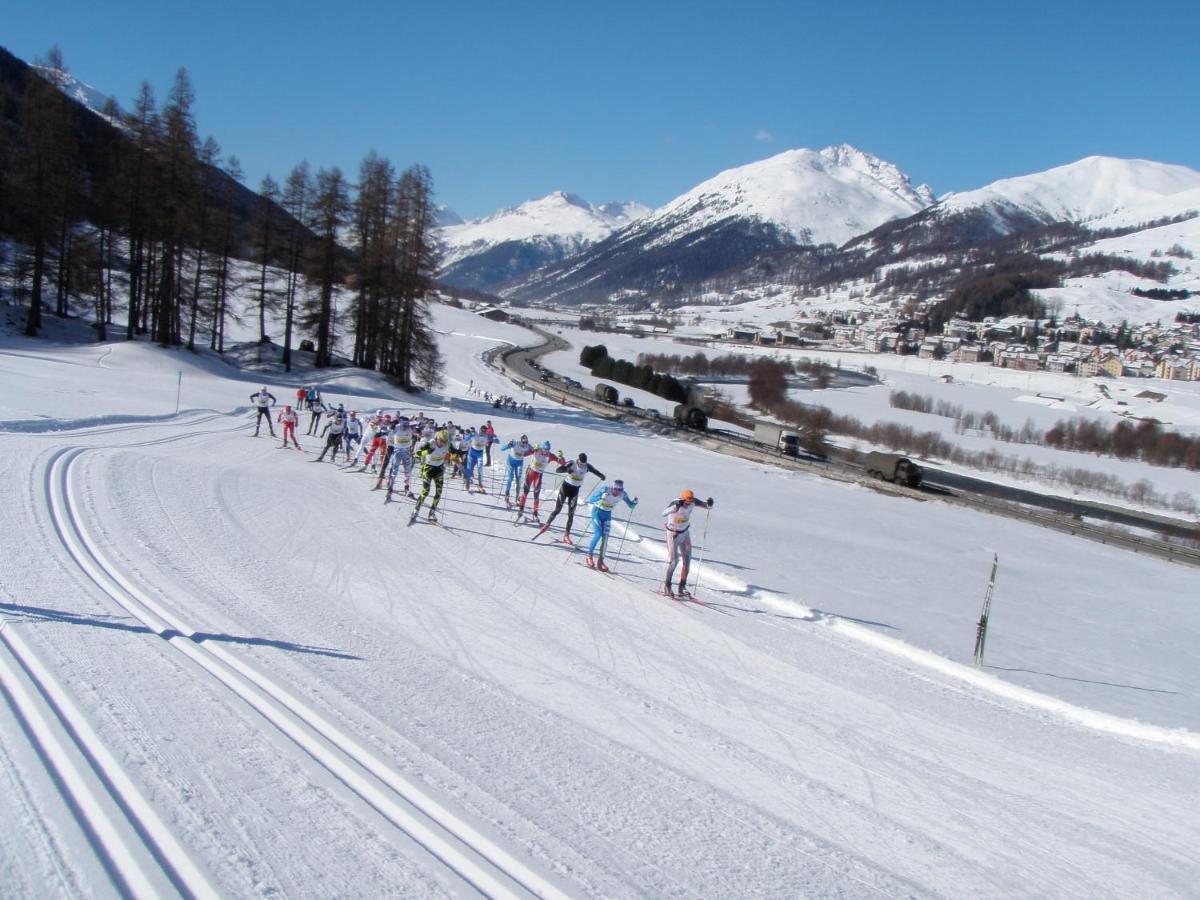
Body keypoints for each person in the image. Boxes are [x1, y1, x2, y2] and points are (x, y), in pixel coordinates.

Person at [534, 452, 604, 544]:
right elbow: (558, 470)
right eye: (580, 463)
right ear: (578, 460)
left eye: (583, 464)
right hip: (565, 488)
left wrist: (601, 476)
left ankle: (566, 535)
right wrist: (568, 470)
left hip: (575, 491)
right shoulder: (572, 462)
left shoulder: (587, 466)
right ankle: (547, 525)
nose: (582, 465)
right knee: (558, 509)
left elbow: (595, 471)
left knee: (571, 514)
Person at [661, 489, 714, 597]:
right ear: (682, 499)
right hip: (673, 534)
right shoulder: (676, 503)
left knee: (688, 560)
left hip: (685, 534)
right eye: (686, 502)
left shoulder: (693, 501)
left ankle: (682, 586)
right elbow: (663, 513)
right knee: (674, 561)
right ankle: (667, 586)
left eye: (690, 502)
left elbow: (707, 506)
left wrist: (709, 503)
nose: (688, 503)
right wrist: (674, 508)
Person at [583, 480, 637, 572]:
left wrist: (635, 502)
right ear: (612, 488)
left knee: (606, 537)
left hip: (607, 515)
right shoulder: (605, 489)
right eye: (616, 489)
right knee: (598, 534)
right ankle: (589, 556)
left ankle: (601, 561)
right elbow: (591, 499)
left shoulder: (623, 494)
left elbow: (631, 506)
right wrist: (601, 497)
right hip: (597, 512)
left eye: (620, 490)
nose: (617, 492)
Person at [409, 430, 452, 524]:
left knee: (439, 492)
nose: (442, 443)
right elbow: (417, 453)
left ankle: (431, 513)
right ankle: (416, 511)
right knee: (425, 491)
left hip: (439, 470)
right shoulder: (431, 443)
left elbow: (453, 453)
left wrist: (452, 458)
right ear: (437, 438)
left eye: (445, 441)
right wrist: (427, 452)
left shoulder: (447, 444)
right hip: (428, 469)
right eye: (441, 440)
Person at [516, 440, 563, 522]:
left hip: (538, 475)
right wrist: (532, 450)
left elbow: (562, 463)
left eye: (547, 450)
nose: (546, 452)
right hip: (530, 472)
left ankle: (535, 513)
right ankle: (521, 509)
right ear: (542, 448)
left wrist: (561, 457)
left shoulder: (550, 456)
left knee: (536, 495)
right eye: (545, 450)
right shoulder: (537, 450)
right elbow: (524, 454)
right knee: (525, 491)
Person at [497, 434, 534, 506]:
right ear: (520, 441)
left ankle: (517, 498)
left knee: (519, 480)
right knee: (510, 478)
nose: (524, 444)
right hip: (511, 462)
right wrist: (508, 445)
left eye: (526, 442)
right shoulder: (515, 443)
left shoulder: (528, 446)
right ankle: (507, 494)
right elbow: (502, 449)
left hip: (519, 463)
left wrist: (535, 449)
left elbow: (534, 451)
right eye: (523, 442)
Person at [463, 426, 492, 493]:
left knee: (480, 467)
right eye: (482, 430)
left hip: (479, 454)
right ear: (479, 430)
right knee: (469, 468)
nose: (482, 432)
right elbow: (466, 438)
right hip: (472, 453)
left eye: (484, 431)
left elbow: (495, 441)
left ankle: (480, 484)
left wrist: (494, 438)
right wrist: (470, 434)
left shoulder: (486, 436)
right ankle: (468, 481)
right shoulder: (475, 434)